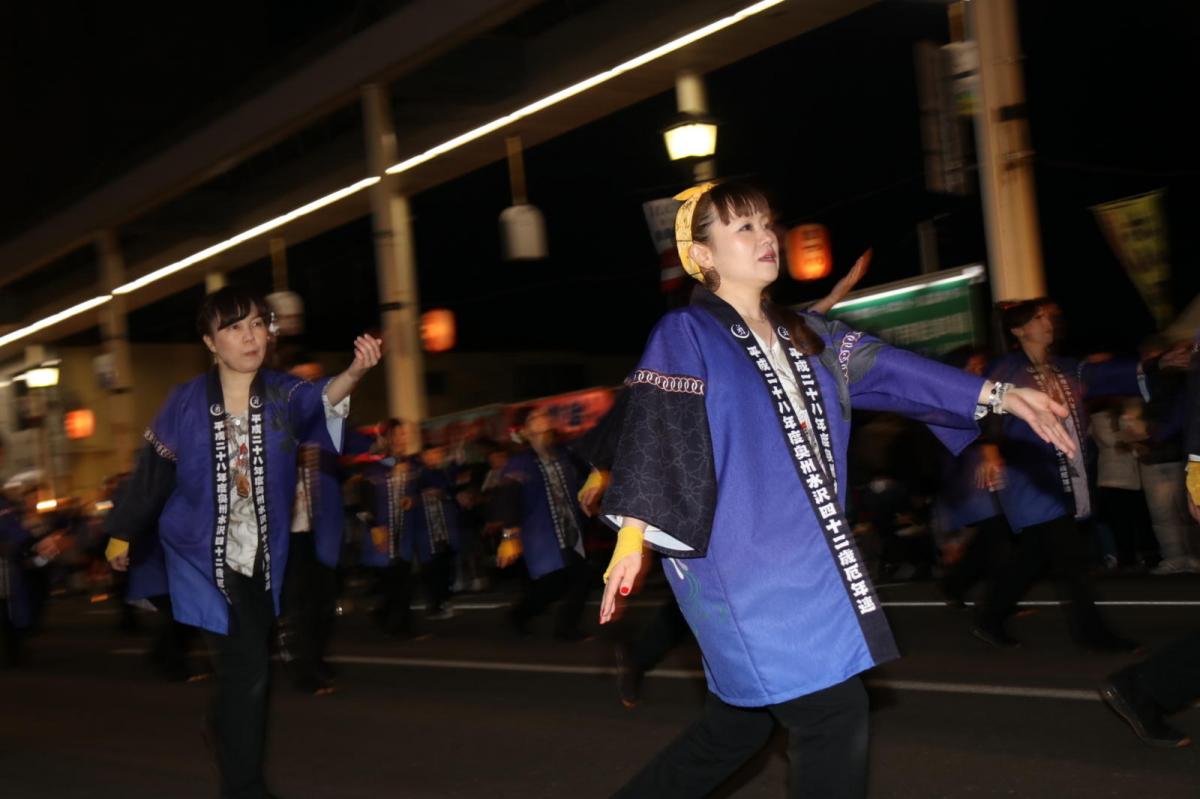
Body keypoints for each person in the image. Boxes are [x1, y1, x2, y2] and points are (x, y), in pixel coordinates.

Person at [597, 181, 1075, 799]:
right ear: (703, 255)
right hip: (742, 565)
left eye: (768, 223)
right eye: (743, 227)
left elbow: (895, 371)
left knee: (736, 729)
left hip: (811, 557)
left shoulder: (806, 334)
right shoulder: (686, 333)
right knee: (832, 714)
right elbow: (655, 428)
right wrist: (633, 534)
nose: (766, 236)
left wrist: (1001, 395)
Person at [104, 285, 380, 799]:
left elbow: (323, 397)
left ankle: (224, 727)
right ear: (211, 342)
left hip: (261, 553)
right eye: (234, 327)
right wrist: (122, 531)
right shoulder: (184, 402)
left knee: (245, 668)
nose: (250, 336)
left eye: (257, 323)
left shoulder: (282, 393)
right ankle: (244, 785)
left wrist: (355, 372)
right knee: (250, 665)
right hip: (200, 551)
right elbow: (153, 472)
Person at [972, 299, 1163, 651]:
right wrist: (990, 449)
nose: (1048, 323)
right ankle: (1093, 634)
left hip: (1066, 473)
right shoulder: (1006, 369)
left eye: (1048, 317)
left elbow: (1108, 376)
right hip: (1028, 473)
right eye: (1037, 318)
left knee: (1034, 554)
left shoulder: (1067, 368)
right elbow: (984, 408)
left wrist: (1159, 363)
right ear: (1018, 330)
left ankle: (990, 617)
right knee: (1069, 555)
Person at [496, 405, 595, 641]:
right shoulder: (518, 463)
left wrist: (592, 491)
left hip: (571, 529)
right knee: (554, 584)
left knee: (582, 577)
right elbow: (509, 500)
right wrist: (510, 537)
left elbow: (587, 477)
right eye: (534, 418)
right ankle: (519, 615)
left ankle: (565, 628)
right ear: (526, 430)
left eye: (543, 416)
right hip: (541, 534)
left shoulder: (565, 454)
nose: (542, 420)